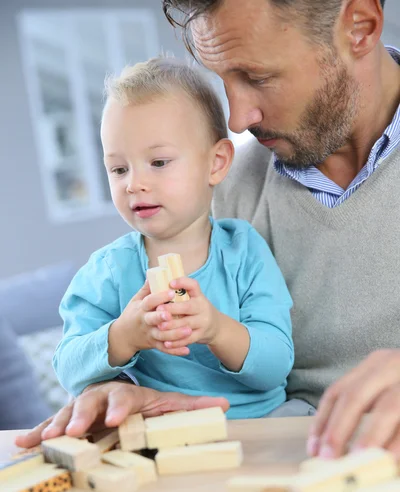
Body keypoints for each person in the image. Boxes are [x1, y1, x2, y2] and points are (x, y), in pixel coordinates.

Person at [16, 0, 400, 460]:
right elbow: (99, 358)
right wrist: (123, 388)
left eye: (257, 77)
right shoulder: (211, 197)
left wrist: (216, 331)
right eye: (222, 80)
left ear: (360, 27)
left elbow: (264, 360)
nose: (238, 119)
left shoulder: (236, 242)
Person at [51, 59, 295, 425]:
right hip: (165, 429)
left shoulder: (244, 250)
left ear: (215, 163)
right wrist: (124, 336)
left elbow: (276, 366)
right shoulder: (109, 270)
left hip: (260, 422)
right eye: (119, 169)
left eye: (159, 162)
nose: (134, 184)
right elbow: (68, 368)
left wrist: (215, 328)